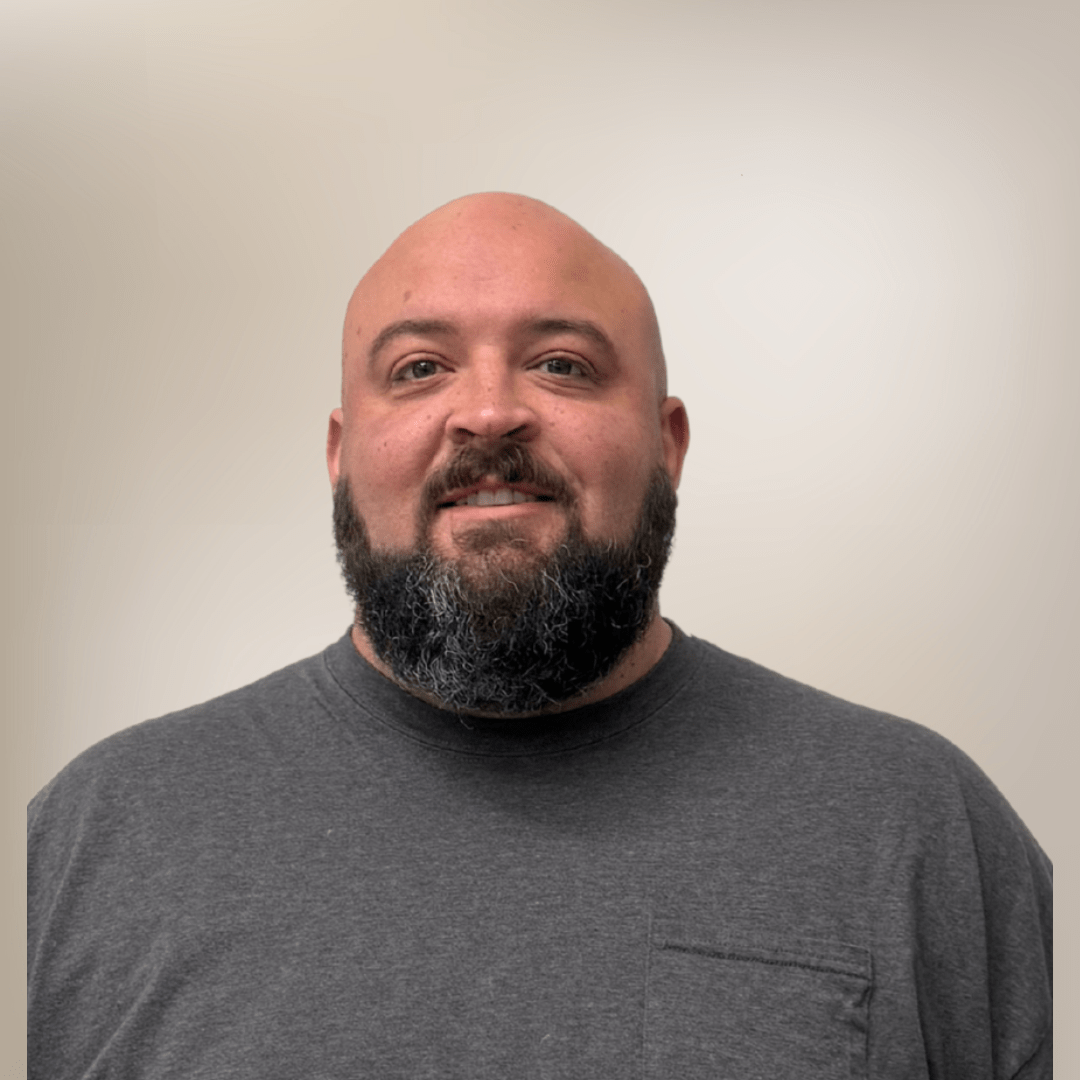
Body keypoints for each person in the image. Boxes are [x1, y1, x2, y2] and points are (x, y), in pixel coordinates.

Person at [28, 193, 1052, 1079]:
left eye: (561, 365)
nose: (487, 413)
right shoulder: (90, 839)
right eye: (419, 368)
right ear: (341, 455)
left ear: (666, 443)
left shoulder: (919, 831)